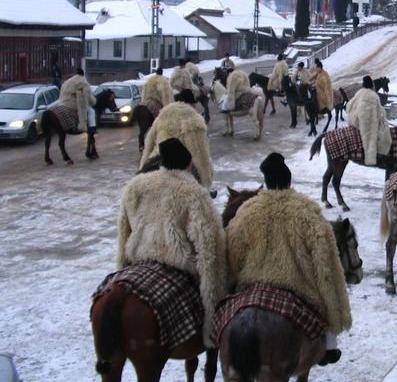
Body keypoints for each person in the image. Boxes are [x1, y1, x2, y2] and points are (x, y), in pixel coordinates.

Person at [225, 152, 352, 366]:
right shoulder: (308, 213)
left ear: (265, 183)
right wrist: (335, 314)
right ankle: (328, 349)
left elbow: (232, 255)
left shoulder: (247, 211)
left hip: (251, 287)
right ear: (289, 181)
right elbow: (326, 266)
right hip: (298, 288)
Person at [118, 137, 226, 347]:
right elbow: (210, 248)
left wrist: (121, 270)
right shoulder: (195, 193)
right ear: (188, 164)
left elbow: (123, 232)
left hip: (139, 261)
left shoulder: (136, 186)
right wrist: (214, 303)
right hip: (179, 265)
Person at [139, 101, 214, 188]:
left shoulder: (160, 118)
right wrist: (207, 184)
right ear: (192, 104)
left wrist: (142, 169)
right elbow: (200, 154)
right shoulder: (193, 119)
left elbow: (148, 145)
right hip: (183, 169)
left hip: (158, 163)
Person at [346, 75, 392, 166]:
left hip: (356, 123)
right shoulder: (374, 96)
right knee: (386, 138)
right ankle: (378, 157)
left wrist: (355, 116)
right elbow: (379, 113)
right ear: (372, 85)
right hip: (368, 126)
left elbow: (349, 106)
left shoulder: (359, 93)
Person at [58, 68, 96, 134]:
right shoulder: (83, 82)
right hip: (72, 104)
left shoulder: (67, 81)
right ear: (83, 74)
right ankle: (92, 128)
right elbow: (88, 96)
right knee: (91, 111)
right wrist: (93, 101)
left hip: (62, 103)